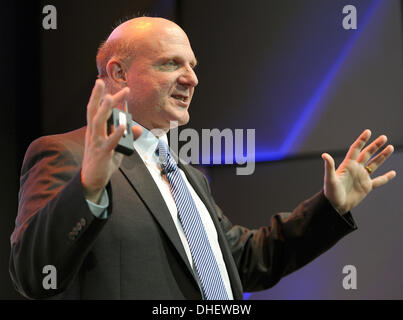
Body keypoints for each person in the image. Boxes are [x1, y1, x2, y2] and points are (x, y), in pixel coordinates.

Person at [9, 17, 396, 300]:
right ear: (119, 73)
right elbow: (34, 274)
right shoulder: (65, 154)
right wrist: (88, 187)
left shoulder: (188, 175)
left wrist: (329, 207)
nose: (191, 78)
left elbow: (248, 261)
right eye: (171, 63)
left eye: (192, 65)